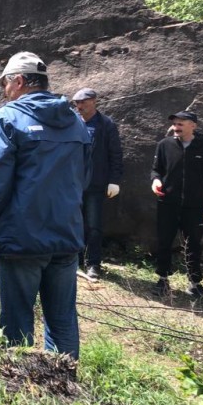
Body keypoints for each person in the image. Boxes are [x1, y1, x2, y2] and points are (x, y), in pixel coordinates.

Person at [0, 52, 91, 360]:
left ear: (18, 81)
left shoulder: (7, 118)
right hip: (66, 236)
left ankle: (18, 392)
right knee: (62, 319)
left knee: (16, 323)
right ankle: (65, 392)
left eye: (5, 83)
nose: (4, 90)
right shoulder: (76, 122)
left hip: (23, 240)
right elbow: (84, 179)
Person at [150, 111, 203, 300]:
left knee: (193, 245)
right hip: (167, 203)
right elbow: (156, 170)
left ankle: (195, 284)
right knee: (164, 241)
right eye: (175, 123)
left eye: (181, 123)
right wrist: (155, 181)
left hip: (194, 206)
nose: (176, 126)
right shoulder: (164, 145)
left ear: (193, 126)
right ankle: (163, 280)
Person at [72, 88, 124, 280]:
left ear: (93, 101)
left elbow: (115, 153)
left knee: (94, 225)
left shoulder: (106, 124)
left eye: (83, 102)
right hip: (74, 183)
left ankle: (93, 263)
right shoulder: (73, 122)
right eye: (76, 103)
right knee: (74, 222)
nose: (79, 106)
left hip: (96, 183)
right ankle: (74, 260)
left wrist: (114, 180)